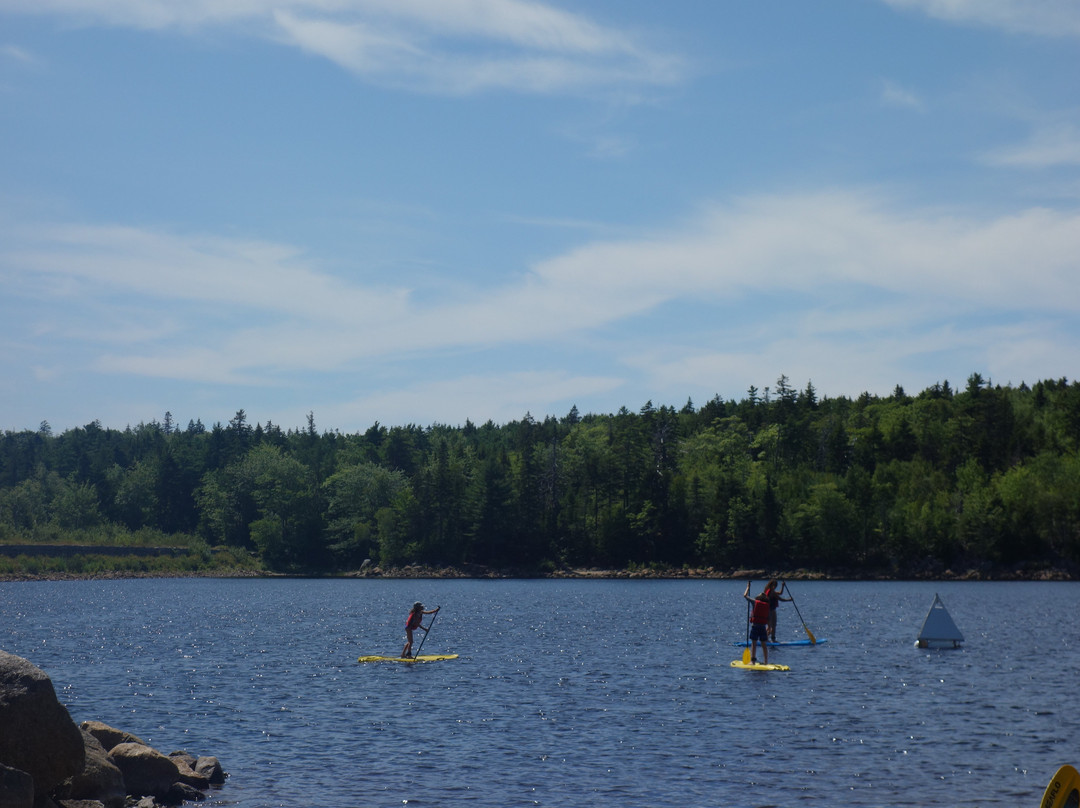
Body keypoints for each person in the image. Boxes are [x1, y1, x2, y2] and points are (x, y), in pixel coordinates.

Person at [743, 582, 772, 664]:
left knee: (754, 643)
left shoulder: (755, 602)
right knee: (764, 644)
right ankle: (766, 661)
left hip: (755, 626)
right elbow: (768, 618)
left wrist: (748, 587)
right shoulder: (767, 605)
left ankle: (753, 661)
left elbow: (745, 595)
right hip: (763, 627)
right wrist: (769, 627)